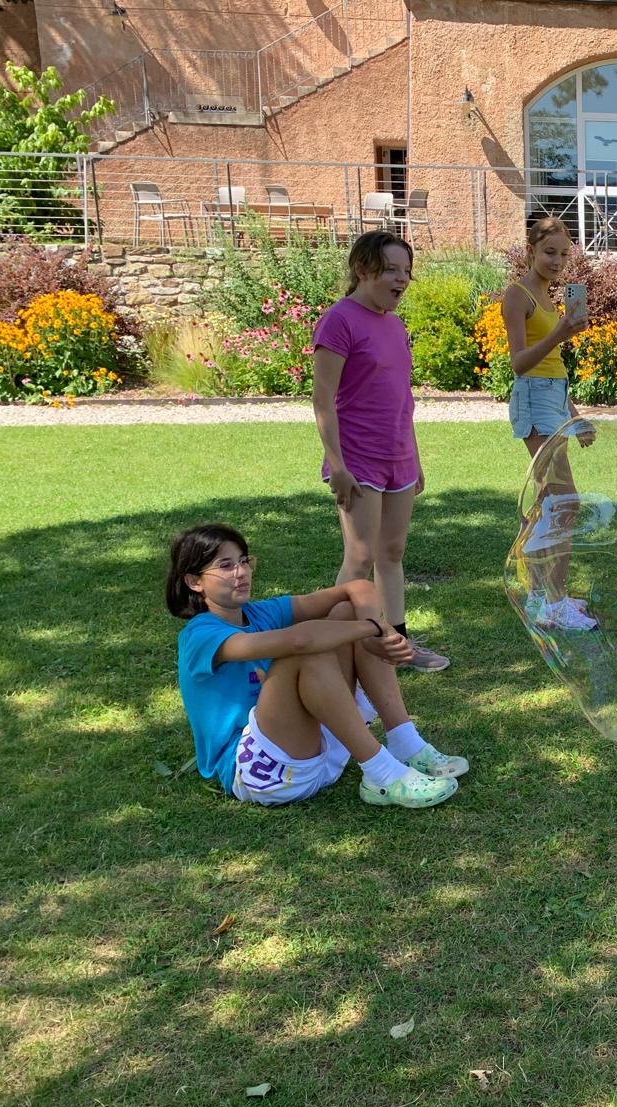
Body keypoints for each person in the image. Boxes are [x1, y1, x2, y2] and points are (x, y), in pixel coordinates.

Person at [167, 523, 467, 809]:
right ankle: (383, 774)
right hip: (260, 774)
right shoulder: (199, 635)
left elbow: (358, 588)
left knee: (347, 612)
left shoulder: (259, 613)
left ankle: (406, 743)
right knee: (308, 651)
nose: (241, 572)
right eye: (225, 565)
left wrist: (370, 632)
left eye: (244, 561)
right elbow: (299, 642)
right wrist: (374, 628)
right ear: (194, 582)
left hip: (316, 753)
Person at [310, 230, 449, 673]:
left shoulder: (395, 325)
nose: (402, 279)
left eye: (406, 271)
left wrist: (415, 458)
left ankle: (398, 644)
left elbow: (403, 399)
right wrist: (337, 464)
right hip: (358, 459)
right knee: (360, 558)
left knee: (391, 554)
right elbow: (322, 400)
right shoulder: (339, 321)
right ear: (362, 269)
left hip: (398, 458)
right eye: (391, 269)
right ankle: (330, 651)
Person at [501, 217, 596, 631]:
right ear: (531, 251)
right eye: (549, 252)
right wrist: (559, 332)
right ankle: (554, 604)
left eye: (563, 254)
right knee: (564, 503)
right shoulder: (517, 295)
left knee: (550, 504)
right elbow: (520, 364)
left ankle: (543, 594)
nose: (557, 261)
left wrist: (575, 416)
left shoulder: (547, 294)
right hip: (534, 399)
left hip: (555, 398)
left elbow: (554, 367)